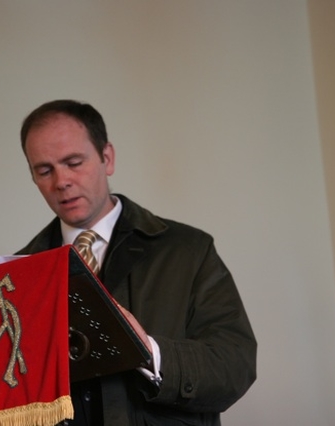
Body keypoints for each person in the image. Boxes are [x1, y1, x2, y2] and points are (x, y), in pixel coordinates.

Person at [16, 99, 257, 426]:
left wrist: (148, 351)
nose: (61, 181)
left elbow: (235, 366)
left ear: (107, 158)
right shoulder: (18, 272)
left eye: (74, 162)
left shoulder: (189, 249)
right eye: (44, 170)